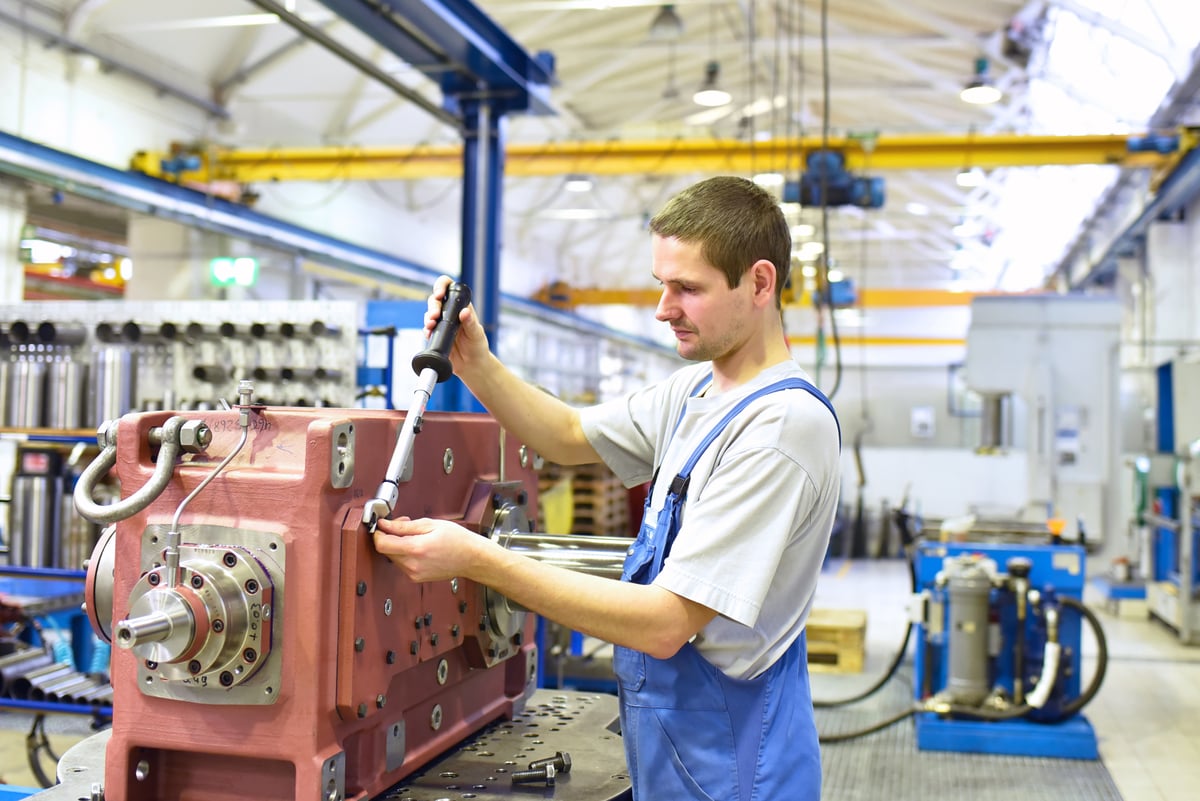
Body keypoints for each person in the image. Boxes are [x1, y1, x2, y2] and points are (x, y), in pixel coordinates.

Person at [374, 175, 841, 800]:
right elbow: (568, 434)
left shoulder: (780, 427)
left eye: (687, 288)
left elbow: (665, 623)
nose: (663, 308)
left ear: (759, 282)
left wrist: (481, 561)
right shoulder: (697, 390)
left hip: (737, 762)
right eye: (661, 285)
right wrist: (474, 364)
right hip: (680, 745)